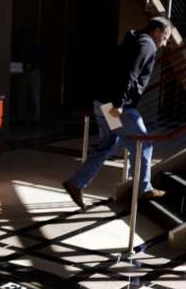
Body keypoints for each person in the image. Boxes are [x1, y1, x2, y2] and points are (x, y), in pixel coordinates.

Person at [62, 16, 172, 209]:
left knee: (110, 142)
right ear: (156, 32)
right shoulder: (147, 45)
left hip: (105, 102)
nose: (165, 41)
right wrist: (119, 104)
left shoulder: (134, 38)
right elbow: (130, 75)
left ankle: (76, 183)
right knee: (143, 145)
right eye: (165, 36)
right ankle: (144, 187)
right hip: (119, 106)